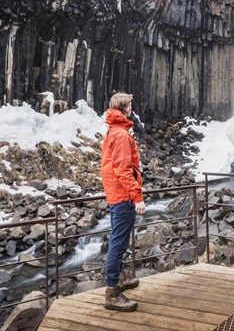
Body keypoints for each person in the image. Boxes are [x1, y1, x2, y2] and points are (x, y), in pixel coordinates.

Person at [100, 92, 145, 312]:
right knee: (118, 244)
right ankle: (112, 293)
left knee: (120, 240)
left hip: (117, 194)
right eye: (130, 105)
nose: (132, 108)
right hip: (123, 196)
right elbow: (123, 170)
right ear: (125, 108)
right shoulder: (121, 135)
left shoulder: (114, 130)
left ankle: (119, 278)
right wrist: (137, 197)